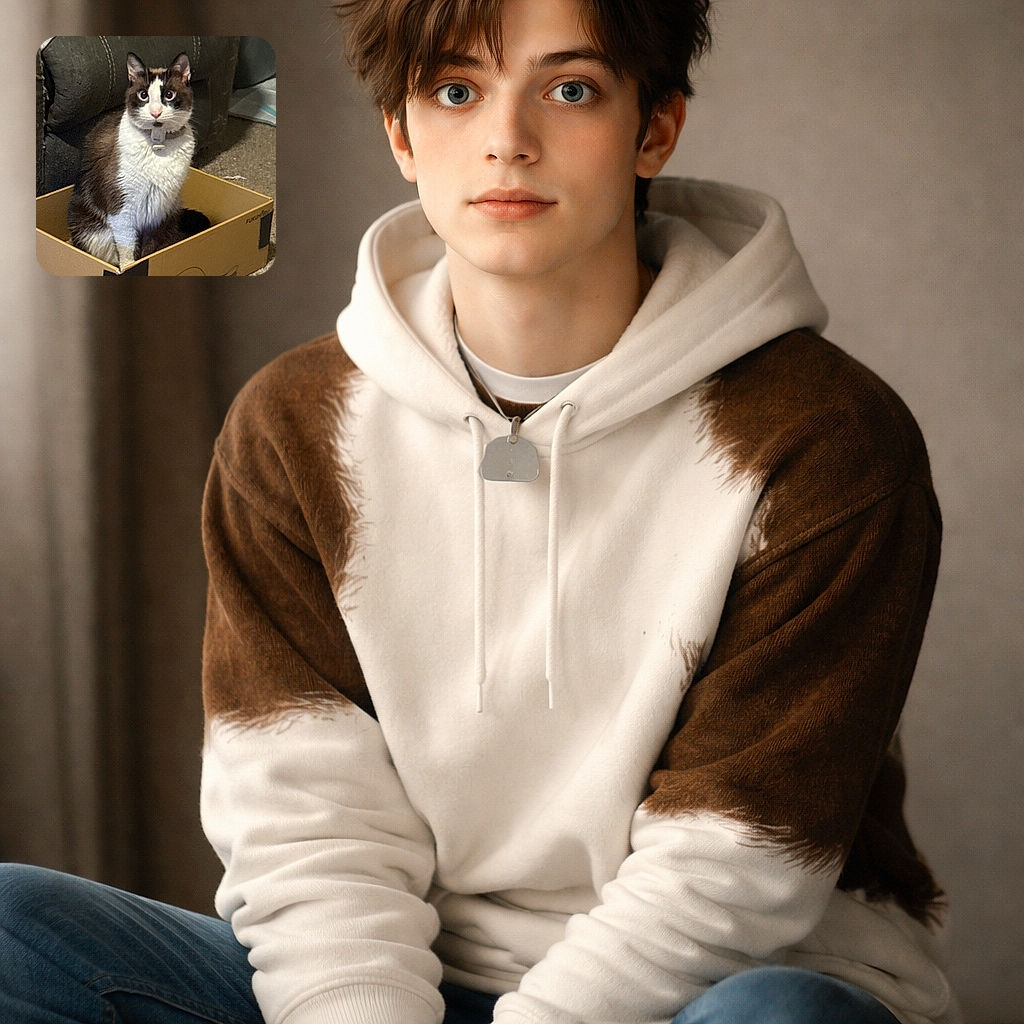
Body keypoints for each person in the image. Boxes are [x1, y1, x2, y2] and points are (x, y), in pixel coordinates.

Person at [0, 1, 961, 1022]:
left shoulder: (823, 437)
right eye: (456, 91)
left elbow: (734, 865)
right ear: (402, 136)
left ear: (656, 127)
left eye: (571, 89)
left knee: (776, 1016)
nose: (508, 138)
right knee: (14, 928)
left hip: (708, 988)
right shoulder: (292, 426)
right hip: (409, 979)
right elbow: (310, 831)